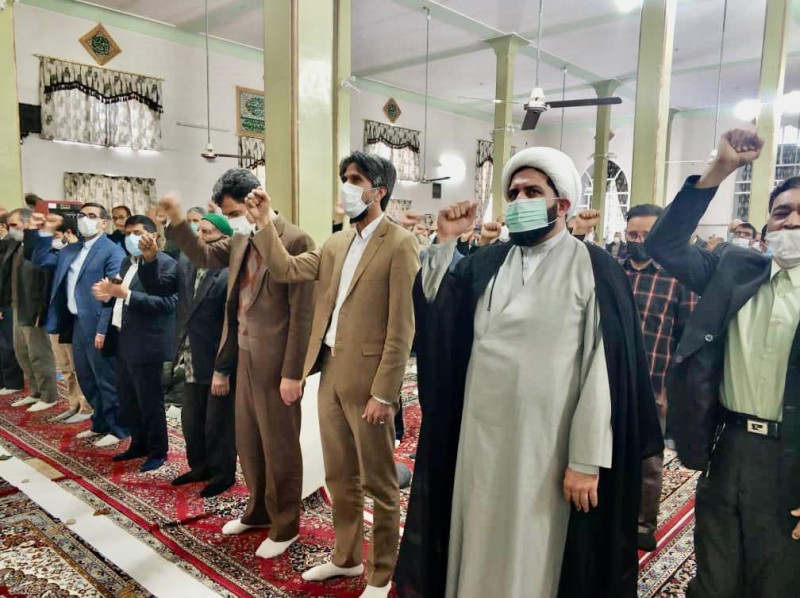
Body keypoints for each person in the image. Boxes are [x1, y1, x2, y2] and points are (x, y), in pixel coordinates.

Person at [395, 147, 662, 598]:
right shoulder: (487, 263)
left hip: (547, 445)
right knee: (477, 534)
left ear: (562, 204)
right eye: (514, 192)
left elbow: (602, 372)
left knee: (533, 547)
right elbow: (438, 323)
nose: (519, 200)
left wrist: (585, 460)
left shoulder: (593, 267)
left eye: (532, 192)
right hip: (479, 439)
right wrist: (445, 243)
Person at [244, 151, 419, 598]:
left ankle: (381, 573)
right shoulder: (337, 242)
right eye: (345, 177)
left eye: (355, 179)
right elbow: (286, 268)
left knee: (379, 482)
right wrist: (264, 223)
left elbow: (402, 326)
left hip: (369, 378)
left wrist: (385, 393)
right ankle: (346, 557)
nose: (346, 186)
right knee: (340, 475)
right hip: (331, 370)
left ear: (378, 191)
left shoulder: (399, 243)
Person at [646, 130, 800, 598]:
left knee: (778, 582)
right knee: (714, 579)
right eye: (782, 212)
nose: (792, 221)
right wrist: (720, 169)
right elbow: (664, 244)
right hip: (728, 446)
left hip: (791, 457)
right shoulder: (735, 270)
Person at [158, 168, 315, 560]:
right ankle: (258, 510)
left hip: (277, 362)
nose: (230, 221)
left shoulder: (296, 239)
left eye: (232, 213)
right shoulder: (241, 237)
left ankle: (285, 525)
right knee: (249, 441)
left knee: (280, 446)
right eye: (225, 215)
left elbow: (302, 315)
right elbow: (202, 255)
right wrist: (177, 220)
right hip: (242, 352)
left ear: (254, 200)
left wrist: (293, 372)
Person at [137, 213, 237, 496]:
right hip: (188, 353)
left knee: (217, 423)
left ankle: (222, 474)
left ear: (225, 239)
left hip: (216, 356)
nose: (200, 237)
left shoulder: (231, 269)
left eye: (207, 232)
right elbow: (159, 287)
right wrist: (150, 259)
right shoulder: (187, 260)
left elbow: (233, 323)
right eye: (198, 231)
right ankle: (200, 467)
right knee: (191, 420)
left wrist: (224, 367)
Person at [619, 204, 697, 551]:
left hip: (653, 383)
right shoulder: (613, 272)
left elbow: (686, 339)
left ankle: (642, 524)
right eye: (632, 235)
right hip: (610, 380)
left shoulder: (677, 278)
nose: (638, 241)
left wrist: (669, 389)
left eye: (646, 235)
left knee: (648, 460)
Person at [32, 203, 127, 448]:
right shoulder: (71, 249)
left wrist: (103, 329)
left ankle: (118, 427)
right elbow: (41, 260)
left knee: (105, 378)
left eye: (92, 216)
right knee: (86, 377)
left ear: (104, 222)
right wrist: (45, 232)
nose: (85, 219)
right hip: (75, 322)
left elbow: (112, 295)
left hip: (97, 323)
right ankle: (100, 422)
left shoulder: (112, 251)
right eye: (82, 215)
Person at [92, 215, 177, 472]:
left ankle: (158, 451)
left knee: (149, 401)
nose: (131, 238)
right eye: (127, 233)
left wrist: (128, 295)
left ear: (154, 235)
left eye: (137, 233)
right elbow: (117, 292)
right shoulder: (127, 261)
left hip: (147, 341)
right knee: (128, 398)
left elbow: (168, 304)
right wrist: (107, 294)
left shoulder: (167, 264)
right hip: (122, 338)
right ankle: (138, 444)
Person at [0, 209, 58, 412]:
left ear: (27, 224)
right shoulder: (16, 245)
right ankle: (35, 391)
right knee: (22, 353)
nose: (10, 230)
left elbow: (46, 283)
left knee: (38, 354)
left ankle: (48, 395)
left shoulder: (42, 248)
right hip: (17, 306)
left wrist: (42, 310)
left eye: (14, 225)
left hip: (34, 309)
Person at [0, 214, 24, 397]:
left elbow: (6, 279)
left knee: (8, 344)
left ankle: (12, 381)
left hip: (7, 302)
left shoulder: (10, 244)